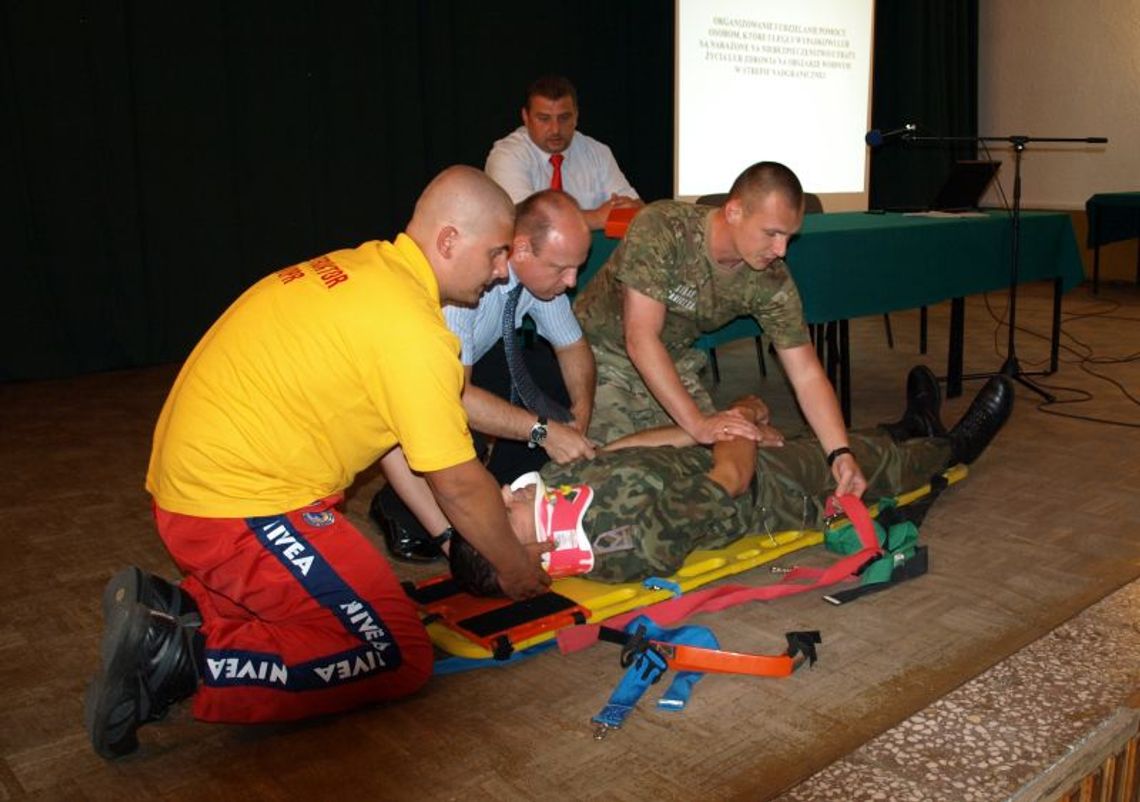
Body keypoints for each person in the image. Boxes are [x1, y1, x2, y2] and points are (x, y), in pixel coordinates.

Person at [84, 166, 555, 760]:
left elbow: (396, 445)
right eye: (493, 254)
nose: (501, 271)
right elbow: (460, 483)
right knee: (395, 653)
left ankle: (177, 611)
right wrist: (512, 568)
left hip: (199, 488)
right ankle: (180, 663)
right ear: (448, 241)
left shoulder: (365, 271)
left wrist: (443, 539)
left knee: (330, 613)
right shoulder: (412, 331)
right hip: (237, 506)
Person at [448, 368, 1015, 592]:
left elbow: (616, 452)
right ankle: (948, 446)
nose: (502, 492)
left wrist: (706, 425)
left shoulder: (547, 492)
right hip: (775, 493)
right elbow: (732, 479)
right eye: (502, 512)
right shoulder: (626, 542)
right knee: (866, 462)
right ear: (530, 553)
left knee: (819, 435)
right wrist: (740, 417)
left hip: (723, 450)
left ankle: (909, 422)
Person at [573, 160, 867, 498]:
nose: (781, 250)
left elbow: (806, 373)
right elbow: (640, 337)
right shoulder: (663, 227)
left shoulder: (770, 279)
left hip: (671, 361)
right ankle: (748, 412)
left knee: (717, 458)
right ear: (734, 211)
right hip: (599, 356)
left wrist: (840, 453)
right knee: (604, 474)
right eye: (772, 233)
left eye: (789, 236)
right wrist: (698, 424)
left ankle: (744, 412)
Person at [372, 190, 597, 562]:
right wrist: (543, 430)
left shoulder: (543, 281)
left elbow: (573, 346)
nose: (572, 282)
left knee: (548, 381)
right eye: (561, 268)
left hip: (464, 367)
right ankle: (397, 507)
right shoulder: (460, 288)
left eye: (576, 267)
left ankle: (502, 496)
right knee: (465, 443)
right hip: (424, 389)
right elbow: (451, 395)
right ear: (520, 249)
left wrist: (579, 415)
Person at [485, 75, 643, 230]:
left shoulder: (598, 152)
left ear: (576, 116)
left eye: (564, 118)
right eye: (544, 118)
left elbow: (636, 209)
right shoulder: (506, 155)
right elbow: (527, 222)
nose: (555, 129)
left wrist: (632, 211)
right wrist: (596, 217)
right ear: (525, 117)